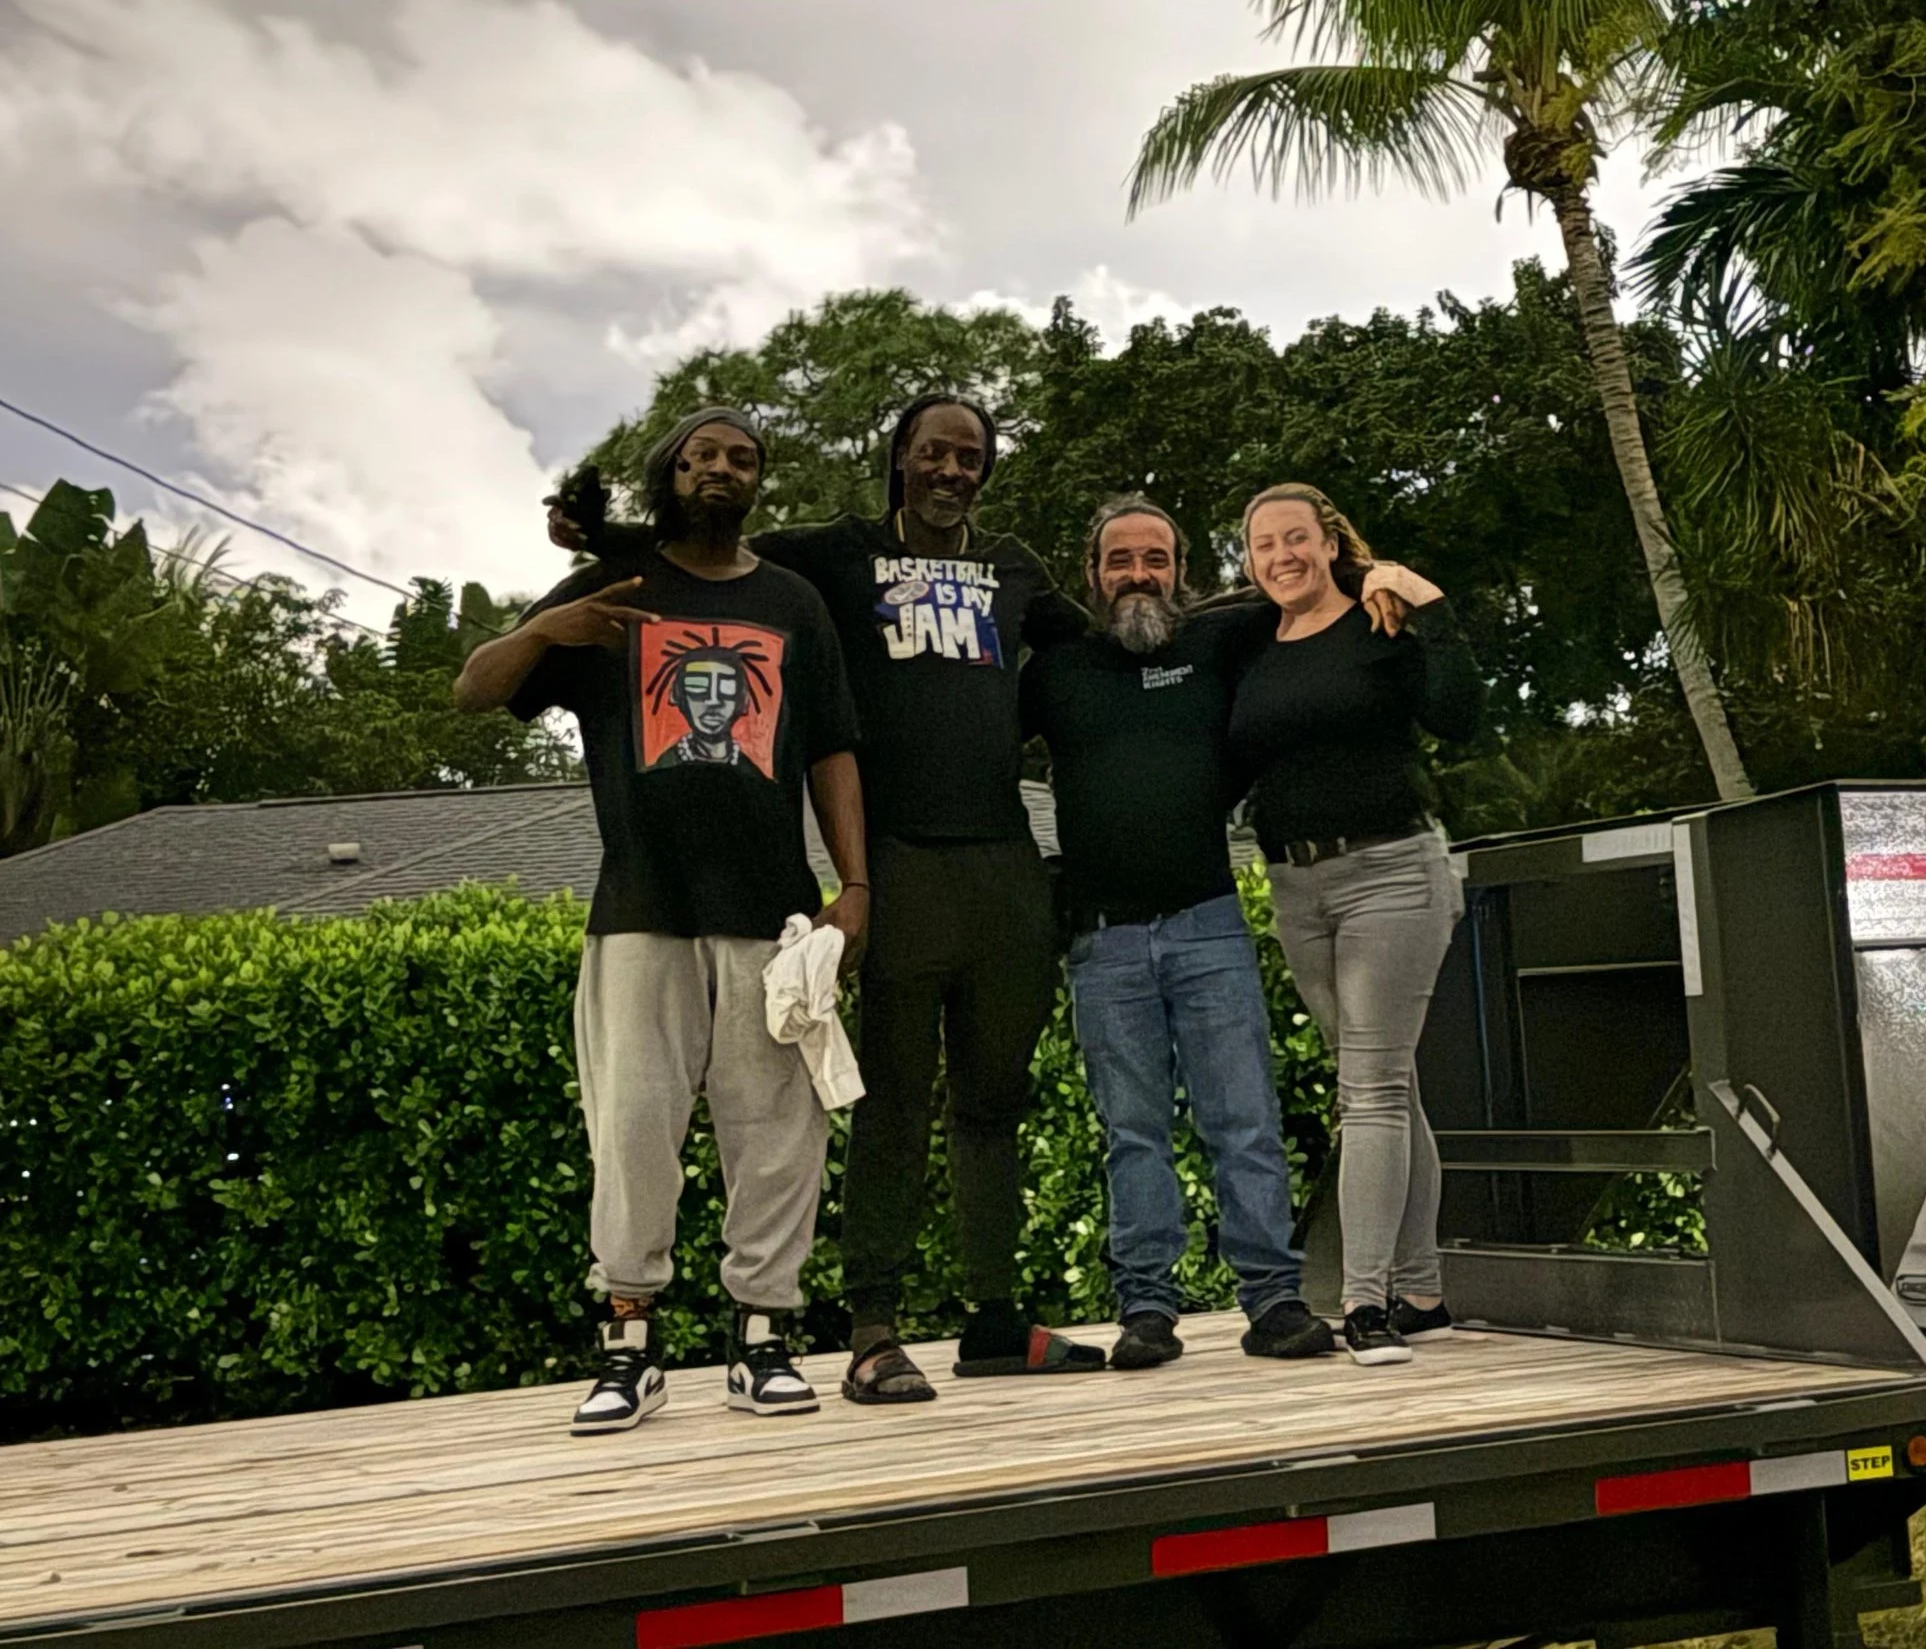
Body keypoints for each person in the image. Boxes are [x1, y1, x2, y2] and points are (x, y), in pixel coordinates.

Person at [550, 394, 1102, 1404]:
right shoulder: (832, 558)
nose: (951, 469)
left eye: (969, 456)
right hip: (891, 863)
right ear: (896, 459)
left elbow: (1112, 647)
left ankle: (992, 1320)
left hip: (1000, 864)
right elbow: (710, 542)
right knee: (885, 1101)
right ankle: (867, 1331)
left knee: (992, 1101)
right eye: (932, 451)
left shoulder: (1016, 569)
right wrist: (603, 537)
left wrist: (1263, 609)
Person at [457, 407, 869, 1434]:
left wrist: (853, 888)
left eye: (741, 458)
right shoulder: (617, 586)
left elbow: (829, 749)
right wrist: (548, 628)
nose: (721, 470)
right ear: (669, 474)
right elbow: (473, 689)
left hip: (770, 916)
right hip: (638, 911)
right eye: (701, 456)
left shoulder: (792, 601)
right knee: (633, 1129)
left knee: (778, 1134)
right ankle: (628, 1344)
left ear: (759, 481)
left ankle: (761, 1338)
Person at [1020, 497, 1338, 1369]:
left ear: (1180, 569)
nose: (1136, 575)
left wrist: (1378, 578)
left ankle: (1272, 1300)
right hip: (1103, 940)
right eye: (1119, 560)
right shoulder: (1054, 671)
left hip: (1209, 923)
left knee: (1245, 1119)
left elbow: (1307, 599)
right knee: (1134, 1133)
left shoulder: (1217, 645)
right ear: (1093, 574)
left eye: (1153, 559)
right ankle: (1147, 1310)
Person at [1227, 483, 1483, 1366]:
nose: (1280, 556)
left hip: (1392, 873)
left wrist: (1431, 604)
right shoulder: (1255, 648)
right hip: (1297, 884)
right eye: (1263, 545)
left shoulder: (1380, 624)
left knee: (1367, 1092)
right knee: (1387, 1084)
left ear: (1330, 542)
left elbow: (1459, 713)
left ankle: (1364, 1303)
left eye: (1295, 538)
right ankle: (1422, 1291)